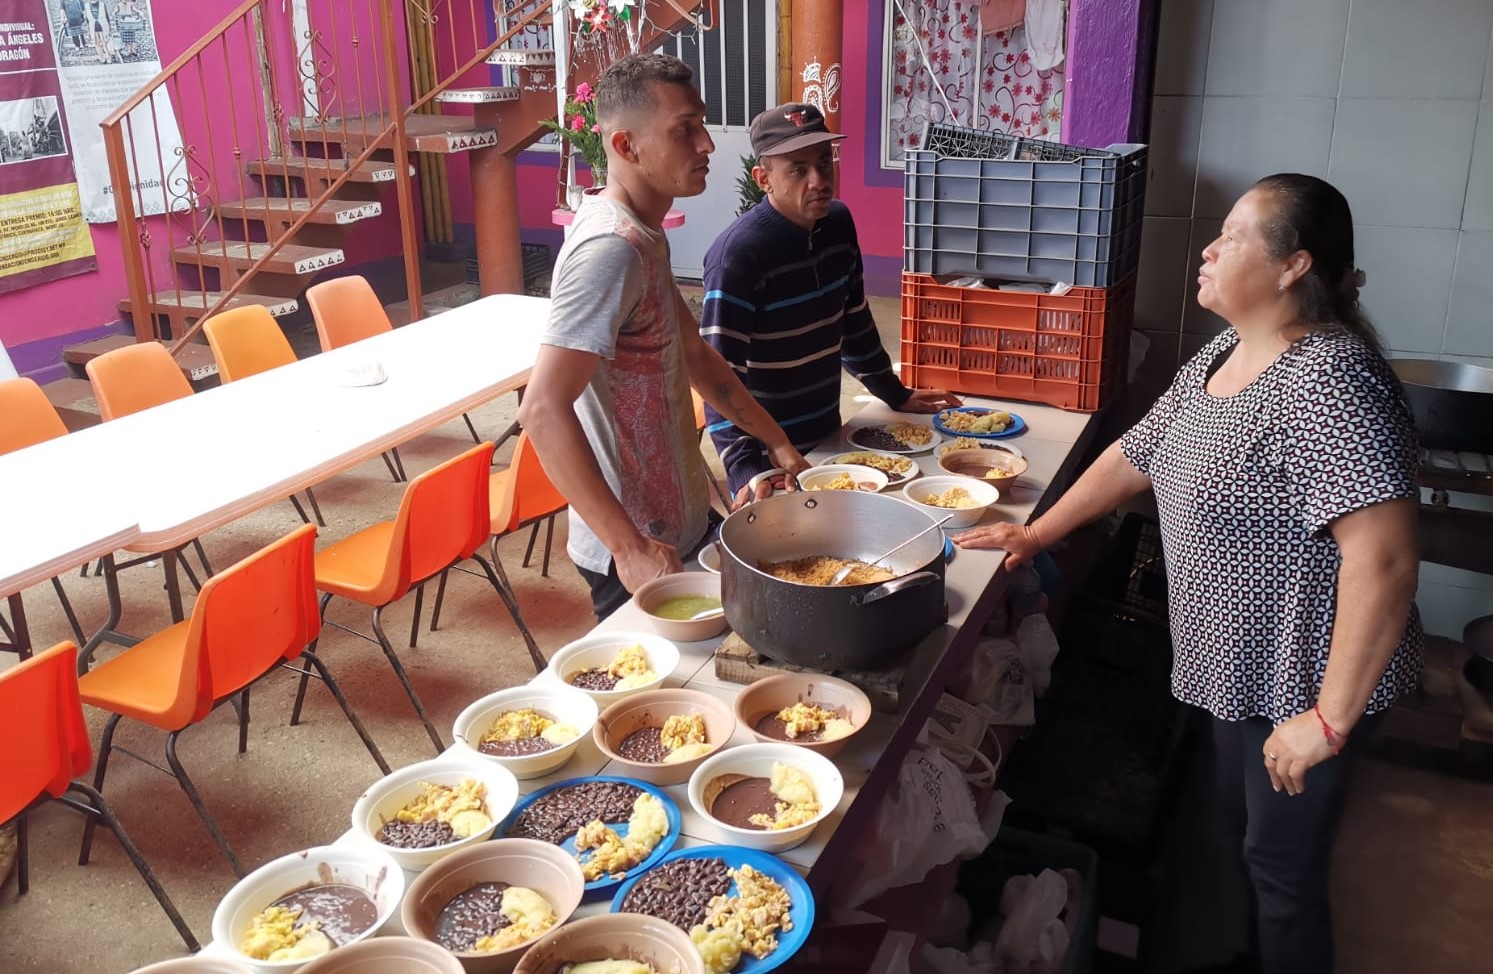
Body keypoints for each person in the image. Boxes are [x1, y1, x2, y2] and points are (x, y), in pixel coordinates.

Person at [958, 174, 1421, 973]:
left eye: (1233, 237)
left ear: (1290, 267)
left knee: (1282, 870)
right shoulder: (1228, 351)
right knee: (1239, 841)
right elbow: (1135, 453)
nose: (1208, 249)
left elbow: (1381, 558)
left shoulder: (1329, 383)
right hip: (1234, 669)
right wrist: (1035, 533)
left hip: (1303, 683)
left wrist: (1327, 719)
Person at [518, 54, 809, 621]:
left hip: (682, 526)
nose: (707, 144)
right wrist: (629, 551)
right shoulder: (610, 249)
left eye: (701, 124)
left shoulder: (643, 234)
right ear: (625, 146)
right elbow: (542, 410)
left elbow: (695, 354)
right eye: (684, 131)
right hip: (636, 550)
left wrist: (775, 440)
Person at [699, 101, 960, 502]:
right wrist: (746, 470)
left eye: (825, 162)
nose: (819, 180)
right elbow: (720, 381)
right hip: (774, 460)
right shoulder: (737, 256)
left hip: (830, 438)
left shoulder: (838, 223)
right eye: (798, 170)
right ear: (763, 178)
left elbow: (854, 322)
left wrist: (896, 394)